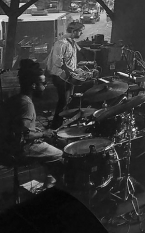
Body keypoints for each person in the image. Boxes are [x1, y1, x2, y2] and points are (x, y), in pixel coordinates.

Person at [0, 59, 61, 188]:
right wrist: (44, 133)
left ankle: (49, 181)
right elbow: (23, 137)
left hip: (4, 148)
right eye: (43, 83)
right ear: (33, 85)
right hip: (16, 151)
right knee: (59, 154)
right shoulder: (26, 104)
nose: (45, 86)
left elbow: (16, 127)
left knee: (49, 143)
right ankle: (54, 188)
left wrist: (37, 131)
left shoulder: (15, 99)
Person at [46, 20, 84, 129]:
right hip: (60, 77)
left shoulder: (72, 42)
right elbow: (57, 63)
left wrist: (77, 70)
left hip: (68, 77)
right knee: (63, 101)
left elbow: (70, 61)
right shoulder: (61, 43)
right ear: (73, 31)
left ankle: (62, 124)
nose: (81, 34)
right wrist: (71, 74)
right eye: (80, 31)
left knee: (68, 100)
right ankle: (55, 126)